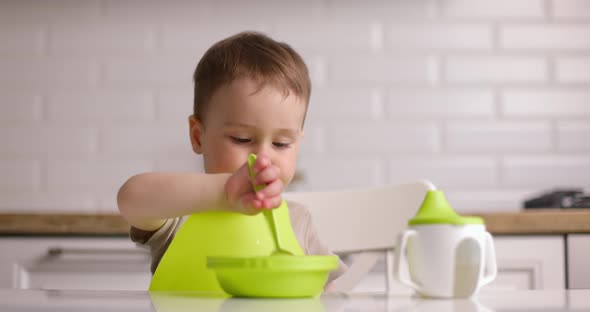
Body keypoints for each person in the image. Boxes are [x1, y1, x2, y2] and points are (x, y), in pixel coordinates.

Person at [117, 31, 346, 289]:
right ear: (198, 136)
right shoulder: (182, 210)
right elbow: (130, 198)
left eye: (281, 144)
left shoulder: (299, 221)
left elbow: (333, 291)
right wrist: (224, 192)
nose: (263, 158)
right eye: (241, 139)